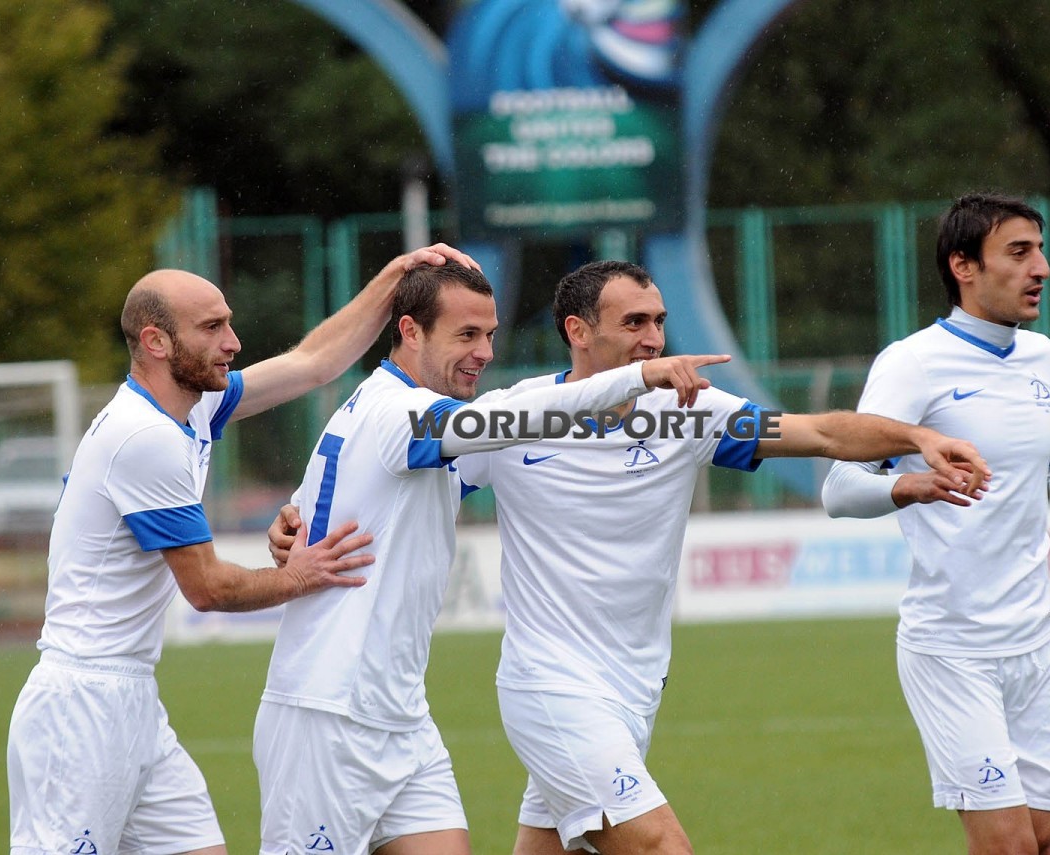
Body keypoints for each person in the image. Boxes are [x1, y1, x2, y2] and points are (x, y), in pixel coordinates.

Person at [273, 259, 989, 855]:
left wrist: (916, 439)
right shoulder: (512, 416)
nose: (653, 339)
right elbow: (406, 474)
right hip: (549, 687)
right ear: (578, 332)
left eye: (659, 322)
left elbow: (820, 433)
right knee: (660, 846)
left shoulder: (688, 411)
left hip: (635, 689)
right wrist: (304, 520)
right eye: (634, 323)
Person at [5, 244, 476, 855]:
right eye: (212, 327)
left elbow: (313, 363)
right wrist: (300, 576)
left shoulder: (190, 409)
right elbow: (208, 588)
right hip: (80, 709)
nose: (233, 342)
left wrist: (394, 277)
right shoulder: (143, 437)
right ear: (156, 342)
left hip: (133, 700)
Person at [252, 260, 732, 855]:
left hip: (400, 716)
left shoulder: (384, 407)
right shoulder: (397, 413)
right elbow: (515, 421)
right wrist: (636, 378)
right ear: (410, 331)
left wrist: (287, 523)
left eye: (489, 334)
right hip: (329, 711)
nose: (483, 352)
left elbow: (310, 509)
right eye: (466, 335)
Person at [820, 193, 1050, 855]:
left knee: (1044, 838)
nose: (1042, 268)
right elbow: (839, 488)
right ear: (963, 266)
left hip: (1036, 643)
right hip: (952, 650)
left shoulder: (1041, 357)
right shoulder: (912, 363)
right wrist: (910, 484)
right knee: (1009, 844)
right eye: (1019, 252)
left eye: (1041, 250)